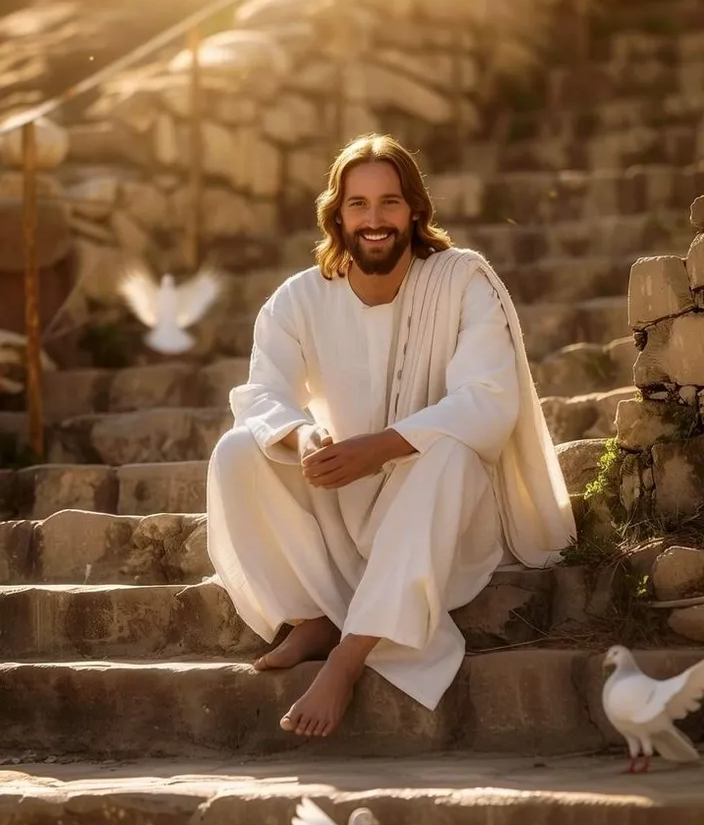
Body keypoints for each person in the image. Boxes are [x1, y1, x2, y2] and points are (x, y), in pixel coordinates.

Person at [206, 133, 575, 739]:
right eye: (358, 204)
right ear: (337, 214)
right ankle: (312, 616)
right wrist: (302, 437)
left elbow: (487, 401)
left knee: (452, 453)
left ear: (415, 211)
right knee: (239, 449)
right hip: (346, 495)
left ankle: (348, 660)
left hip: (439, 517)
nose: (373, 219)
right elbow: (262, 394)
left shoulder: (460, 282)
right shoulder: (298, 299)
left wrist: (380, 447)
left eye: (389, 203)